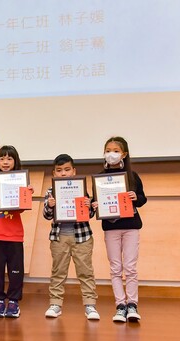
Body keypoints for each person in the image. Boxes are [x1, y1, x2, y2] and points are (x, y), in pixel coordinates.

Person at [91, 137, 147, 323]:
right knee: (115, 268)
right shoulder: (100, 177)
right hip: (111, 227)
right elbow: (93, 203)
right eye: (108, 150)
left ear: (124, 154)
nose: (111, 154)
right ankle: (120, 305)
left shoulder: (132, 175)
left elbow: (142, 199)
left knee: (130, 267)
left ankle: (132, 304)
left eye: (116, 150)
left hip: (131, 226)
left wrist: (134, 197)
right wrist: (95, 204)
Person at [42, 154, 100, 320]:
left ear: (74, 171)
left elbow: (88, 214)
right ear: (54, 173)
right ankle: (55, 304)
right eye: (59, 170)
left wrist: (90, 206)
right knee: (58, 272)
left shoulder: (80, 188)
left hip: (82, 236)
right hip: (59, 237)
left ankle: (90, 305)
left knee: (85, 271)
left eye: (67, 170)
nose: (63, 173)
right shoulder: (51, 191)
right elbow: (46, 215)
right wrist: (50, 205)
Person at [0, 145, 33, 318]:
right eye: (2, 158)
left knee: (16, 270)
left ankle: (14, 302)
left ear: (15, 161)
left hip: (14, 235)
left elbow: (22, 209)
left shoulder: (20, 180)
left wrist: (27, 194)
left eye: (9, 158)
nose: (5, 162)